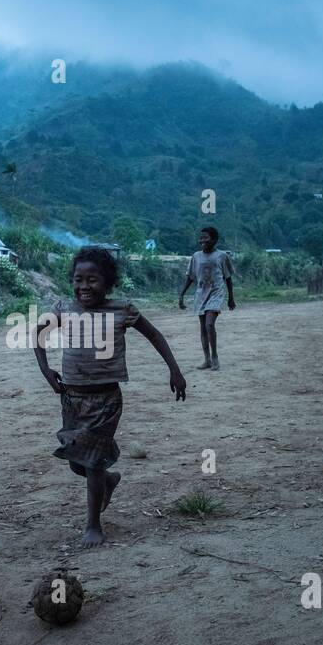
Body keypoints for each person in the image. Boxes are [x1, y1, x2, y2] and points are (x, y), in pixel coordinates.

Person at [36, 246, 186, 547]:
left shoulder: (122, 310)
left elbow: (155, 335)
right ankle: (108, 480)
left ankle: (92, 525)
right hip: (71, 398)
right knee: (77, 463)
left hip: (106, 400)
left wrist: (175, 370)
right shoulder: (64, 308)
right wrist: (46, 370)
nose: (84, 286)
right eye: (78, 279)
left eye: (92, 279)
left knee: (91, 463)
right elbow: (37, 334)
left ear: (108, 282)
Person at [178, 226, 236, 370]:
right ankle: (207, 359)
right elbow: (190, 277)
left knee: (209, 325)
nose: (202, 240)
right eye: (201, 238)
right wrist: (182, 294)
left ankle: (215, 357)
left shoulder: (222, 256)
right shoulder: (196, 256)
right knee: (203, 328)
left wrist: (231, 298)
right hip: (201, 293)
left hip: (216, 292)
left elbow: (228, 278)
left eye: (206, 238)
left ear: (214, 240)